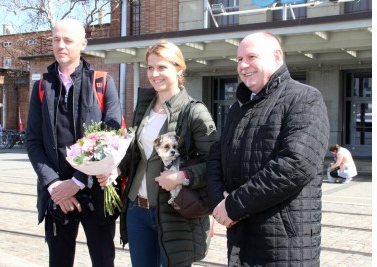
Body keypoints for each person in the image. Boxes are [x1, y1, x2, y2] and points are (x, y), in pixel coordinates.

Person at [206, 32, 330, 266]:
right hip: (241, 237)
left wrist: (233, 205)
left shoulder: (305, 98)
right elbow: (216, 156)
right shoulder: (238, 108)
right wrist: (217, 202)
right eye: (239, 59)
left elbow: (296, 163)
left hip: (284, 246)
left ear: (276, 57)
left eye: (251, 56)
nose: (243, 65)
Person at [97, 40, 218, 267]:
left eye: (162, 67)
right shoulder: (145, 105)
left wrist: (182, 177)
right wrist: (117, 170)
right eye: (150, 68)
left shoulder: (194, 111)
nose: (154, 74)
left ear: (178, 68)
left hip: (174, 214)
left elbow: (214, 163)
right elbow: (135, 153)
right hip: (137, 210)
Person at [25, 18, 122, 267]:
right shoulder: (41, 87)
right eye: (56, 39)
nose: (61, 45)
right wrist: (56, 186)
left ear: (83, 43)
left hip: (96, 194)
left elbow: (110, 136)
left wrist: (78, 181)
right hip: (57, 196)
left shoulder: (102, 82)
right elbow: (33, 142)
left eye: (68, 40)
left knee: (103, 262)